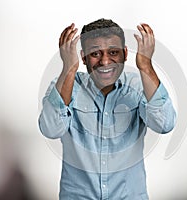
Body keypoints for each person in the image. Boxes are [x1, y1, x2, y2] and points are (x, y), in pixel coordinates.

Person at [38, 18, 176, 200]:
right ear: (84, 57)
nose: (105, 61)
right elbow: (51, 129)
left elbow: (164, 124)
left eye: (113, 52)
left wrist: (146, 66)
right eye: (95, 53)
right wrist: (69, 69)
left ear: (125, 54)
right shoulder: (65, 85)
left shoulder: (138, 85)